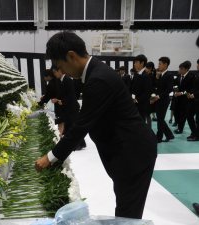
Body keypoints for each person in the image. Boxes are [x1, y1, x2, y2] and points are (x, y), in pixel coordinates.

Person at [35, 31, 157, 219]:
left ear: (71, 56)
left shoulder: (98, 79)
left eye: (61, 66)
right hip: (125, 150)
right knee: (126, 206)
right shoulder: (95, 72)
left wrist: (50, 157)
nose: (63, 72)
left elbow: (81, 126)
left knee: (128, 214)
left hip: (133, 153)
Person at [51, 66, 86, 149]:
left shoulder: (67, 80)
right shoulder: (62, 80)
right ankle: (79, 144)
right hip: (68, 107)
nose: (55, 74)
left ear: (59, 71)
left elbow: (71, 95)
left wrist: (61, 101)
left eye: (55, 72)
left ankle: (78, 144)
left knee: (72, 126)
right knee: (70, 126)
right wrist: (58, 99)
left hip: (72, 107)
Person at [150, 57, 174, 143]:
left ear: (165, 64)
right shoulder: (160, 74)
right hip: (158, 99)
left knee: (160, 119)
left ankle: (159, 137)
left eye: (160, 64)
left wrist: (159, 96)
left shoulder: (169, 75)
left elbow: (169, 89)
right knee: (160, 119)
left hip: (164, 100)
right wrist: (156, 77)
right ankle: (169, 135)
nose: (158, 65)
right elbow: (157, 87)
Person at [173, 61, 196, 139]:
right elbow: (175, 84)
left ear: (186, 69)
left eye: (181, 69)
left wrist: (182, 93)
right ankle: (179, 127)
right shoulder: (179, 76)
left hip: (187, 99)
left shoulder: (191, 76)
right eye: (179, 68)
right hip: (178, 98)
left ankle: (181, 129)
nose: (180, 70)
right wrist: (175, 90)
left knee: (184, 115)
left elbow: (191, 89)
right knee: (177, 113)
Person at [131, 55, 152, 127]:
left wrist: (137, 100)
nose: (134, 64)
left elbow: (147, 92)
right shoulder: (137, 74)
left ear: (142, 63)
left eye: (136, 62)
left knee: (141, 123)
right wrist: (132, 97)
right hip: (135, 104)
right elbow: (133, 89)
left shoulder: (146, 76)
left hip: (142, 105)